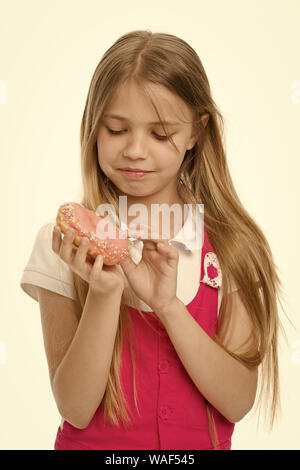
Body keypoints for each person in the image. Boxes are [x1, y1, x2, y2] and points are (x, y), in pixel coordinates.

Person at [20, 30, 288, 450]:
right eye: (116, 130)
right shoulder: (62, 245)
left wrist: (168, 307)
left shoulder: (233, 247)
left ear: (196, 133)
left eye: (160, 134)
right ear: (93, 126)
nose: (135, 151)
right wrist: (105, 293)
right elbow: (74, 407)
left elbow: (236, 402)